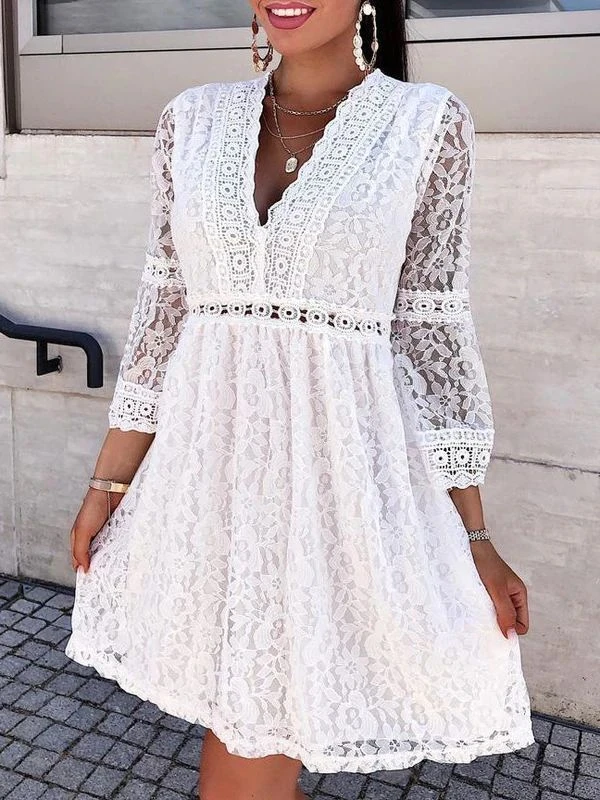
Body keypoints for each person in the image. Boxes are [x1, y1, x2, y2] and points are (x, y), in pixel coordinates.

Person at [66, 1, 536, 798]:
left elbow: (432, 337)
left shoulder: (427, 124)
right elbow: (165, 311)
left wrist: (475, 534)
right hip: (209, 486)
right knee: (245, 724)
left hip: (336, 496)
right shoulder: (191, 120)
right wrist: (108, 483)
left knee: (254, 739)